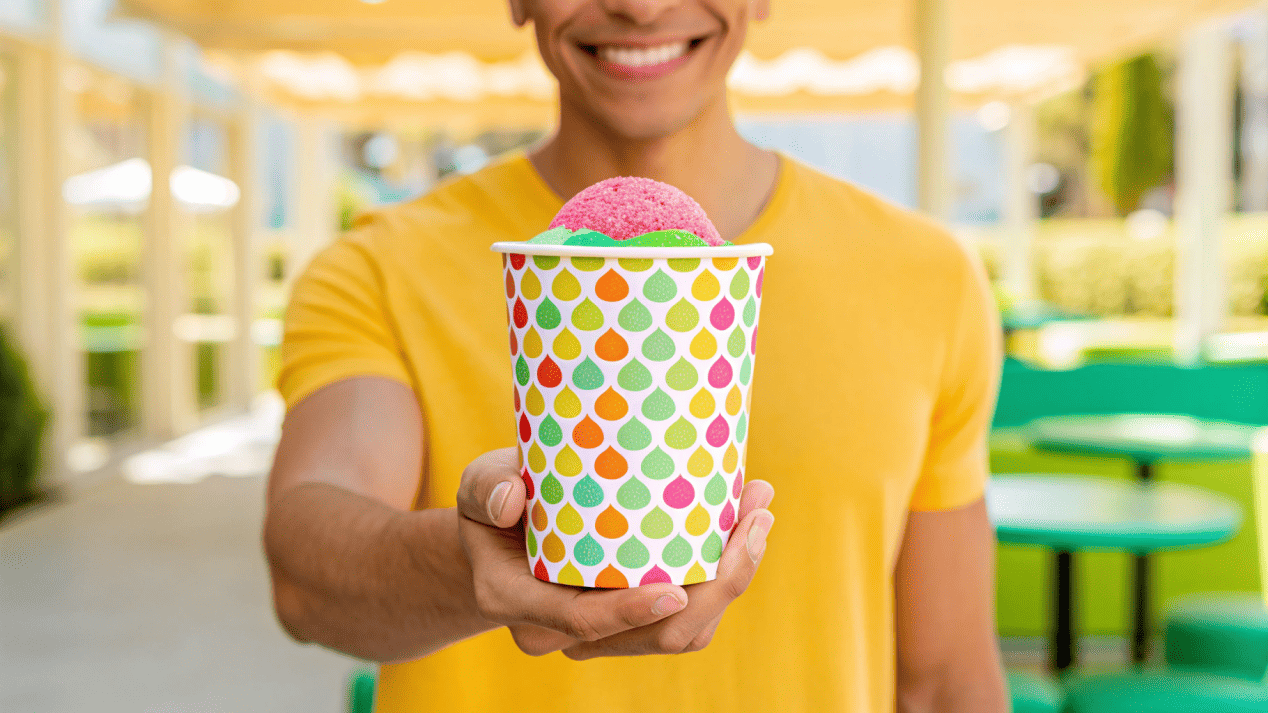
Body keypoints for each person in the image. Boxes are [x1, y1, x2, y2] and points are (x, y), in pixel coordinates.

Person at [264, 0, 1009, 710]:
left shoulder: (928, 277)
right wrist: (470, 567)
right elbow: (306, 570)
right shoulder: (378, 270)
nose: (643, 8)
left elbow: (948, 684)